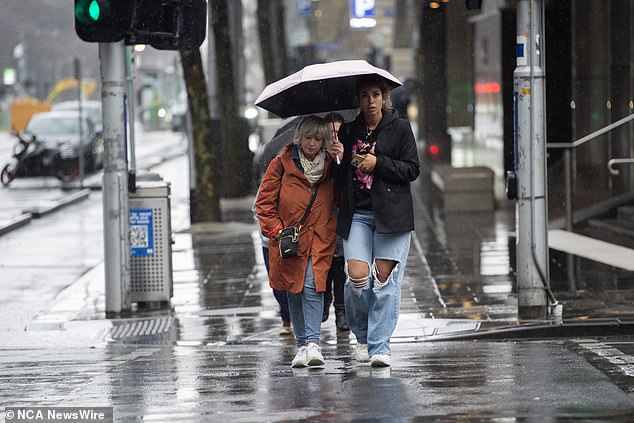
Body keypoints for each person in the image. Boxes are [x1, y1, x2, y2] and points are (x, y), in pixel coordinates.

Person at [332, 75, 420, 367]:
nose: (370, 101)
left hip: (391, 214)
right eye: (365, 96)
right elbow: (339, 177)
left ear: (384, 98)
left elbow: (412, 169)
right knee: (357, 278)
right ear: (357, 100)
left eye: (375, 95)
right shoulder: (347, 131)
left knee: (383, 281)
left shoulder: (400, 128)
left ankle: (381, 346)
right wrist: (337, 159)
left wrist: (378, 163)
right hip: (357, 213)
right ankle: (363, 335)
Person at [256, 115, 337, 368]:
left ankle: (313, 343)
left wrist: (342, 159)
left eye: (317, 138)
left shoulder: (332, 166)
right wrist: (278, 231)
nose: (312, 143)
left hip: (320, 238)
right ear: (298, 138)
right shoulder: (280, 164)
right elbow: (264, 203)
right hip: (289, 240)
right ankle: (301, 345)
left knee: (313, 286)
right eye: (308, 137)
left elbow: (346, 194)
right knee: (294, 288)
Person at [321, 113, 349, 333]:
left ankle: (341, 310)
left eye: (339, 132)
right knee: (325, 263)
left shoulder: (350, 152)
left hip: (342, 215)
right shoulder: (319, 156)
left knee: (340, 265)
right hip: (322, 216)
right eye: (331, 133)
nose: (335, 137)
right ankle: (325, 301)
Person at [251, 195, 292, 336]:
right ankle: (287, 317)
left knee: (296, 280)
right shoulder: (270, 180)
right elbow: (258, 209)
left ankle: (293, 318)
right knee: (277, 284)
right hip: (271, 242)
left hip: (295, 238)